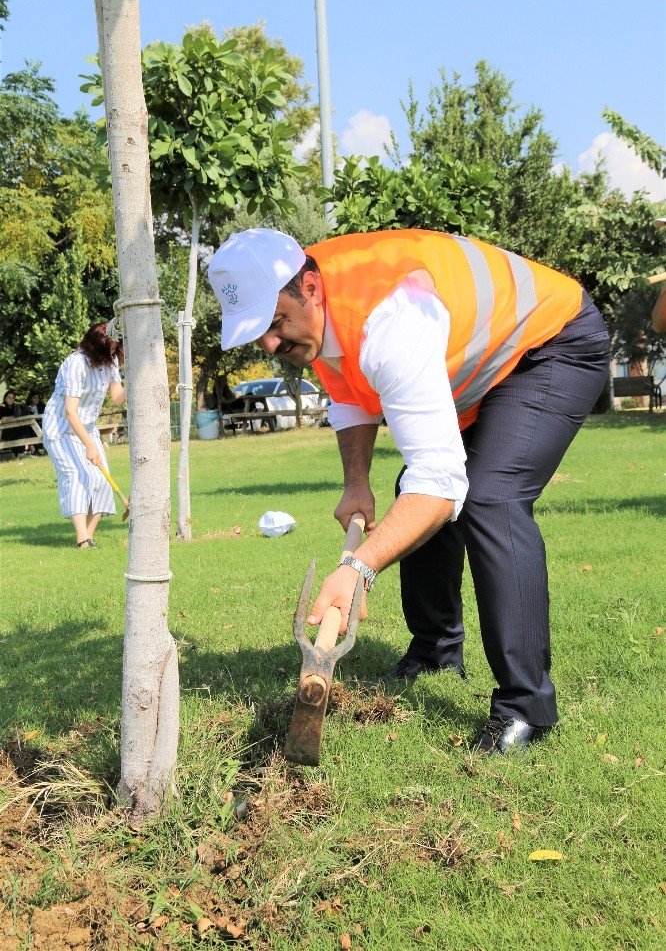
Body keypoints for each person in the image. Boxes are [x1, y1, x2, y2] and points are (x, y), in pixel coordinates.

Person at [208, 228, 610, 754]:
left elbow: (441, 487)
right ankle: (435, 650)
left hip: (552, 342)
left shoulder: (389, 319)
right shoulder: (320, 313)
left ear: (309, 287)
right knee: (410, 492)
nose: (270, 344)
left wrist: (357, 570)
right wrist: (356, 484)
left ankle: (526, 706)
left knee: (488, 497)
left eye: (276, 323)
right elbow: (350, 397)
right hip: (491, 367)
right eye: (258, 330)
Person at [41, 322, 126, 548]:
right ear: (96, 345)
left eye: (116, 346)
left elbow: (118, 397)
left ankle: (87, 538)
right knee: (76, 477)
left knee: (102, 480)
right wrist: (90, 446)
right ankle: (82, 539)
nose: (114, 350)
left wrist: (136, 381)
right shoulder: (75, 364)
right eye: (110, 346)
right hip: (60, 429)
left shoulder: (112, 361)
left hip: (86, 427)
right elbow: (70, 412)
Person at [0, 390, 33, 456]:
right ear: (5, 398)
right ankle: (29, 448)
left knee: (24, 428)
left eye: (12, 398)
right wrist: (10, 417)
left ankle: (21, 452)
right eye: (9, 398)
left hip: (13, 429)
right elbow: (2, 419)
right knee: (23, 430)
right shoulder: (2, 407)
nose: (11, 399)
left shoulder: (14, 407)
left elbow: (18, 416)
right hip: (4, 432)